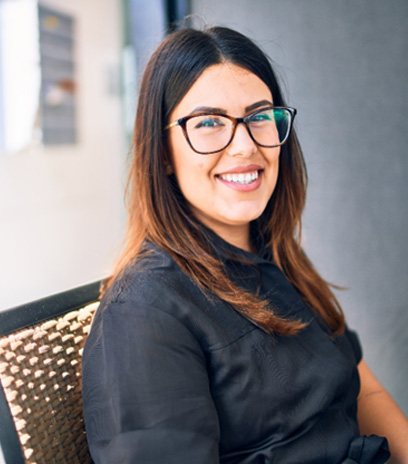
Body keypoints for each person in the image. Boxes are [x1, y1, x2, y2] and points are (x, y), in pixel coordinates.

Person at [82, 26, 408, 463]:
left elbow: (364, 389)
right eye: (209, 123)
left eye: (259, 117)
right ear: (162, 152)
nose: (244, 146)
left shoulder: (279, 260)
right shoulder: (143, 312)